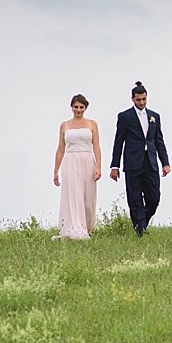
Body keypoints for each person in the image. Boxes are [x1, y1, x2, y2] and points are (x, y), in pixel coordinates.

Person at [110, 81, 170, 237]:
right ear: (132, 99)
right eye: (138, 100)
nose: (141, 102)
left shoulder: (154, 117)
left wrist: (165, 163)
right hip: (132, 162)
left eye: (144, 99)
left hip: (150, 162)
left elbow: (159, 141)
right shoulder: (124, 117)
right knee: (134, 197)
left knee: (154, 197)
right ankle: (140, 230)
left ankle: (141, 222)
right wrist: (114, 166)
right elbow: (118, 141)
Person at [52, 94, 102, 239]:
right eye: (76, 107)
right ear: (71, 107)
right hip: (70, 161)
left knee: (88, 197)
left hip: (87, 159)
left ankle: (88, 226)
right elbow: (60, 149)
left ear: (85, 108)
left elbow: (97, 147)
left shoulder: (92, 124)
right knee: (74, 195)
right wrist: (56, 171)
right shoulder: (64, 125)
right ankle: (74, 227)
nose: (78, 110)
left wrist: (98, 166)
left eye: (81, 107)